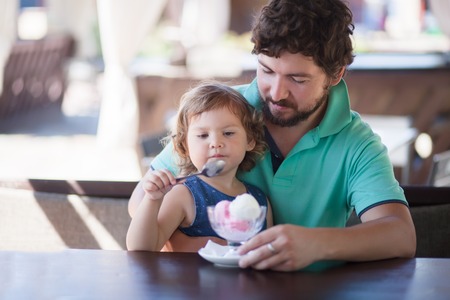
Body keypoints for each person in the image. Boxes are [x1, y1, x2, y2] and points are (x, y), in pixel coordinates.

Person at [129, 0, 416, 271]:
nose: (276, 92)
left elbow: (401, 235)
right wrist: (190, 244)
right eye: (267, 70)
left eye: (297, 79)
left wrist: (316, 244)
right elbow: (139, 200)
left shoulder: (357, 143)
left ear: (336, 74)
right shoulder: (221, 115)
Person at [127, 81, 273, 252]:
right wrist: (153, 199)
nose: (216, 143)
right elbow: (141, 248)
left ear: (249, 140)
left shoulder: (259, 201)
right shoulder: (183, 194)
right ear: (185, 146)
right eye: (203, 135)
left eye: (228, 133)